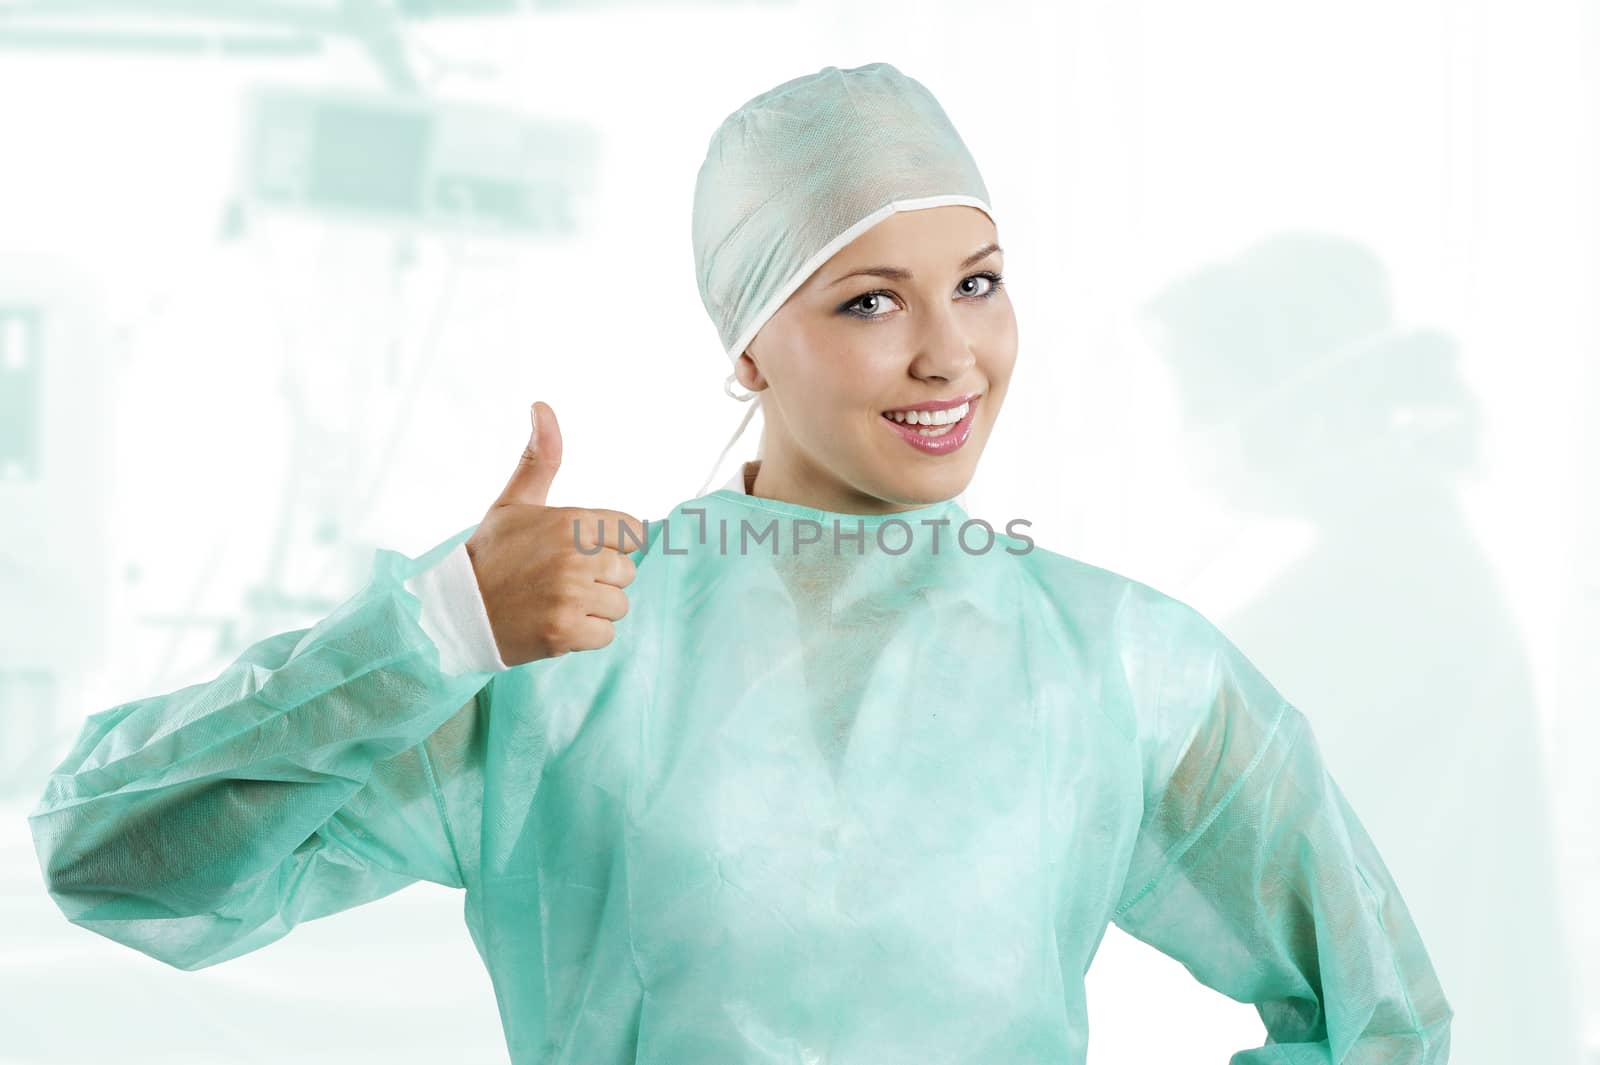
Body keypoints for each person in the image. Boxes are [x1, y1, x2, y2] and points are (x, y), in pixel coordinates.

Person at [28, 62, 1452, 1064]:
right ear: (749, 341)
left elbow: (1381, 1012)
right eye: (870, 298)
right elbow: (112, 860)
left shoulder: (1125, 666)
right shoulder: (571, 650)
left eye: (979, 281)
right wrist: (436, 626)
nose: (949, 350)